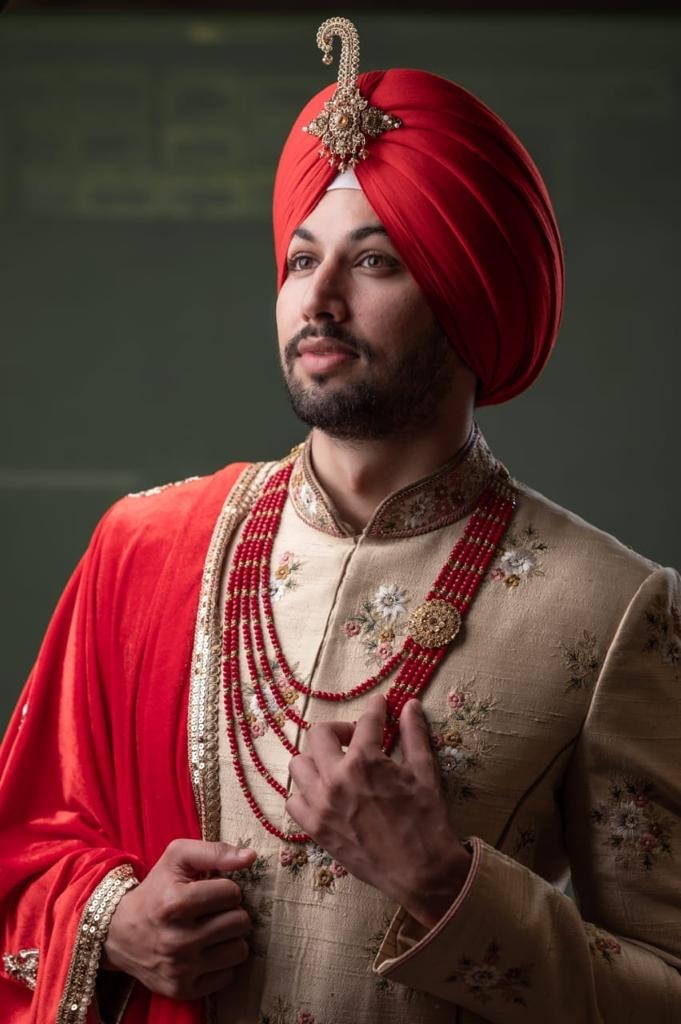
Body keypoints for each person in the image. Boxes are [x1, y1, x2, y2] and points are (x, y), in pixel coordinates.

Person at [1, 15, 679, 1024]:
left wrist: (443, 885)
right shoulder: (143, 548)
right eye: (298, 259)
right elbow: (20, 853)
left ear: (467, 297)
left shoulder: (610, 609)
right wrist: (112, 923)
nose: (315, 299)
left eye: (374, 263)